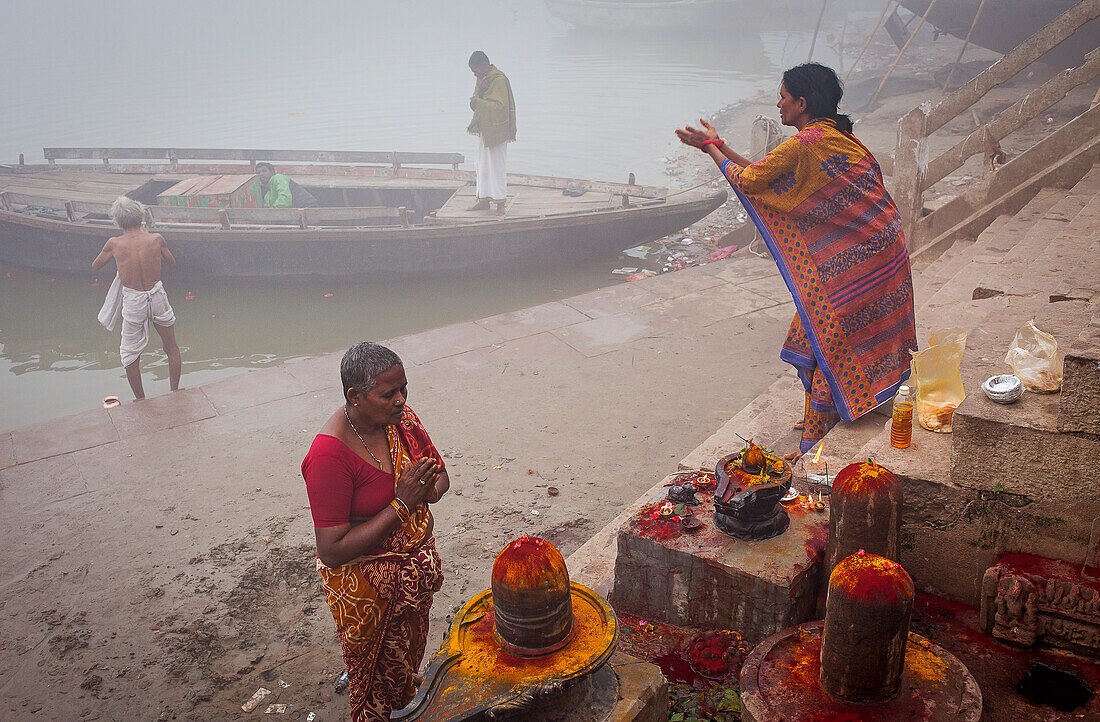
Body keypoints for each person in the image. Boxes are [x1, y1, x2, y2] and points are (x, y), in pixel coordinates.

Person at [676, 63, 917, 460]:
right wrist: (716, 145)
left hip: (864, 257)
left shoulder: (807, 143)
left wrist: (710, 148)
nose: (778, 104)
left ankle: (820, 430)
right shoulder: (834, 136)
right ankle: (838, 405)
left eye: (784, 97)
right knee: (815, 329)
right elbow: (762, 174)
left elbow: (750, 181)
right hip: (884, 246)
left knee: (827, 331)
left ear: (801, 103)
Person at [302, 342, 449, 721]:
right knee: (375, 685)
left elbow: (440, 478)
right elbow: (332, 550)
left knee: (407, 663)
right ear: (355, 396)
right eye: (389, 394)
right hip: (368, 594)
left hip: (413, 579)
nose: (401, 400)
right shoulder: (329, 456)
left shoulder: (401, 420)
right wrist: (402, 505)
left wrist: (428, 489)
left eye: (404, 389)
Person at [93, 196, 182, 400]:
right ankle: (175, 391)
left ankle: (141, 400)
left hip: (134, 301)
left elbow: (96, 265)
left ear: (117, 221)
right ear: (141, 217)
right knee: (171, 346)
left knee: (130, 353)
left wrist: (121, 259)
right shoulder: (156, 239)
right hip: (157, 296)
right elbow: (171, 263)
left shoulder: (114, 243)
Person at [466, 50, 516, 211]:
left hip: (498, 130)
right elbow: (475, 105)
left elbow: (501, 108)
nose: (475, 75)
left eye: (476, 70)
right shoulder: (482, 80)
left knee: (496, 165)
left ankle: (500, 202)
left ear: (485, 65)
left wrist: (479, 101)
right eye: (472, 72)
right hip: (484, 129)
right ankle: (484, 201)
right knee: (481, 164)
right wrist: (479, 93)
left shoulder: (499, 80)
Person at [255, 162, 319, 208]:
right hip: (296, 212)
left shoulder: (278, 178)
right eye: (258, 173)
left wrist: (271, 212)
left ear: (272, 172)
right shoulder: (267, 196)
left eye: (264, 171)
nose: (261, 174)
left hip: (309, 208)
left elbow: (285, 201)